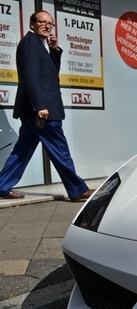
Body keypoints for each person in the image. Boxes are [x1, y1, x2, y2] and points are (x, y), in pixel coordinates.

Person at [0, 11, 93, 200]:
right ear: (32, 24)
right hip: (41, 110)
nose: (47, 26)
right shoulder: (29, 43)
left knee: (23, 150)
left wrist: (54, 50)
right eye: (42, 22)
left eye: (50, 23)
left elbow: (50, 75)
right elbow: (31, 77)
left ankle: (2, 185)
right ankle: (77, 189)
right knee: (60, 148)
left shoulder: (40, 44)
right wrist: (40, 106)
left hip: (36, 109)